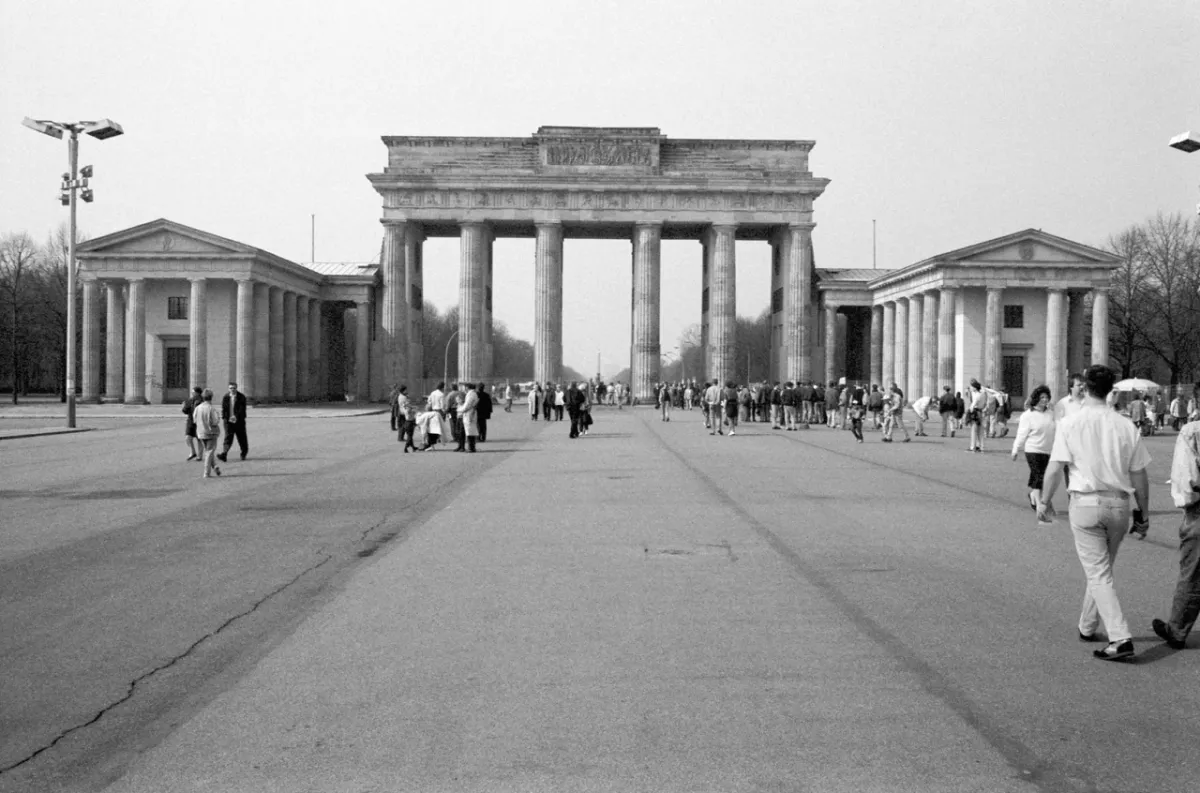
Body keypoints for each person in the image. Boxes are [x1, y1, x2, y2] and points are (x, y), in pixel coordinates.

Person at [1038, 364, 1151, 662]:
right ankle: (1088, 625)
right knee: (1101, 571)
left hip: (1086, 503)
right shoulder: (1126, 425)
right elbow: (1139, 475)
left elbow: (1055, 467)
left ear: (1085, 388)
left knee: (1098, 573)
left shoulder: (1071, 423)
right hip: (1119, 505)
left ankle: (1120, 636)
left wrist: (1044, 501)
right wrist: (1144, 513)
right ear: (1111, 390)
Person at [1156, 380, 1200, 650]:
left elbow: (1187, 480)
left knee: (1193, 572)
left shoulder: (1192, 432)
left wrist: (1187, 504)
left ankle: (1177, 630)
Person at [1012, 384, 1056, 514]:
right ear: (1036, 398)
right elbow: (1021, 434)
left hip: (1048, 450)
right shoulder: (1028, 415)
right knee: (1039, 476)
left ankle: (1033, 495)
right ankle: (1039, 504)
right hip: (1033, 450)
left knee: (1043, 476)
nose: (1044, 399)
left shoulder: (1051, 413)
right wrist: (1015, 449)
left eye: (1046, 397)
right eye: (1042, 397)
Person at [192, 388, 222, 478]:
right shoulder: (211, 408)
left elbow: (194, 419)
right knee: (209, 452)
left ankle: (215, 466)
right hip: (211, 432)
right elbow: (215, 421)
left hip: (201, 432)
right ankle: (206, 472)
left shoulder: (198, 408)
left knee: (208, 451)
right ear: (211, 397)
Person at [217, 382, 248, 462]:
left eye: (234, 388)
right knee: (228, 438)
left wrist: (235, 417)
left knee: (242, 438)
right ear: (228, 389)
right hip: (228, 422)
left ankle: (243, 453)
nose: (232, 390)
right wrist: (225, 418)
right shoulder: (226, 397)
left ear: (236, 388)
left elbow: (242, 409)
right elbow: (224, 409)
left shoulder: (241, 397)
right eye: (231, 388)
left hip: (239, 422)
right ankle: (224, 454)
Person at [182, 386, 203, 461]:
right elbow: (185, 411)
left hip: (199, 422)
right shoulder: (190, 400)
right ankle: (193, 452)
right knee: (188, 437)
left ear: (197, 393)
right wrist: (184, 407)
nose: (192, 393)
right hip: (190, 421)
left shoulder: (202, 401)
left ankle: (200, 456)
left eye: (193, 392)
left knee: (199, 439)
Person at [457, 382, 479, 452]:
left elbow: (467, 405)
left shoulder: (471, 394)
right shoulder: (472, 394)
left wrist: (460, 409)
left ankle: (471, 448)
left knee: (470, 431)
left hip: (469, 414)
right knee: (470, 430)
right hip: (469, 413)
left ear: (467, 387)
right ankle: (471, 447)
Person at [966, 379, 986, 452]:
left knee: (973, 431)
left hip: (975, 413)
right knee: (980, 431)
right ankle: (981, 447)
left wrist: (969, 411)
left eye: (971, 387)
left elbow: (973, 405)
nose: (970, 388)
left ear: (974, 387)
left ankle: (973, 447)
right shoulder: (982, 394)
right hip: (981, 412)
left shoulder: (977, 395)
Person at [396, 385, 417, 452]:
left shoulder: (401, 396)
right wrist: (413, 409)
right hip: (407, 416)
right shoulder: (404, 398)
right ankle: (406, 447)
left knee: (409, 432)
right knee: (409, 433)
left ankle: (413, 446)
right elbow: (407, 408)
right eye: (405, 390)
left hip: (404, 414)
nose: (407, 391)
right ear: (403, 390)